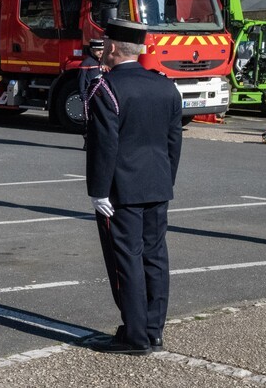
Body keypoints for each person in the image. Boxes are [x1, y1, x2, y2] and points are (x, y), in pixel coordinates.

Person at [84, 19, 182, 356]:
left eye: (105, 44)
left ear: (112, 48)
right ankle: (153, 330)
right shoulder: (166, 86)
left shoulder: (106, 88)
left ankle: (135, 335)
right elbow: (173, 141)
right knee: (155, 258)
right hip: (157, 183)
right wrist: (165, 180)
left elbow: (104, 145)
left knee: (125, 261)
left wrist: (98, 190)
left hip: (120, 190)